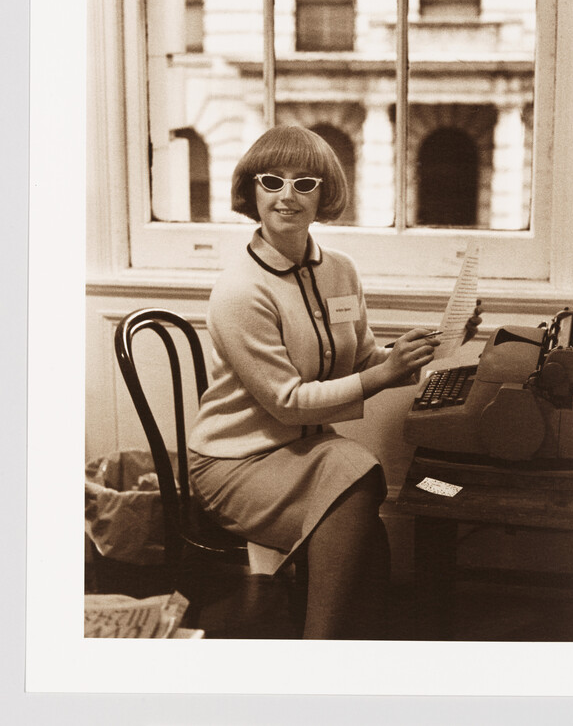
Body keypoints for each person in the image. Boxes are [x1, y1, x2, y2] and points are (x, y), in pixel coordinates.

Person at [188, 125, 481, 639]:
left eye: (305, 183)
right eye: (271, 181)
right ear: (251, 192)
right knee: (358, 476)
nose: (287, 196)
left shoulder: (339, 271)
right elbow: (288, 404)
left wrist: (433, 345)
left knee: (359, 504)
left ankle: (346, 650)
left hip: (303, 454)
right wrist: (382, 373)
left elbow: (363, 358)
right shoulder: (239, 289)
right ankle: (321, 651)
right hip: (233, 462)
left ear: (324, 193)